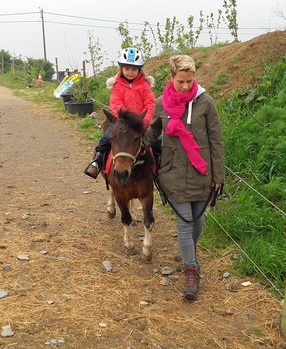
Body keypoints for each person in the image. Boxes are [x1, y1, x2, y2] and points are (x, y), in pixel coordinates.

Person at [144, 55, 225, 300]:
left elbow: (216, 141)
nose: (186, 86)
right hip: (174, 172)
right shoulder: (161, 104)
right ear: (171, 78)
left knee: (198, 222)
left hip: (202, 172)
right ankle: (192, 269)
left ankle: (188, 255)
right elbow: (153, 133)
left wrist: (218, 175)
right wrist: (133, 147)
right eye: (181, 81)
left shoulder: (206, 103)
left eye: (190, 81)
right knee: (185, 221)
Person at [83, 47, 156, 179]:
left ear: (139, 70)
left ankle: (159, 170)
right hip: (121, 123)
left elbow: (150, 103)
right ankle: (97, 162)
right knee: (106, 139)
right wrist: (124, 121)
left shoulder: (144, 85)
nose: (130, 72)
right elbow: (116, 104)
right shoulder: (117, 85)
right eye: (127, 68)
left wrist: (144, 122)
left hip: (139, 124)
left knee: (156, 142)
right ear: (121, 68)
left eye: (134, 69)